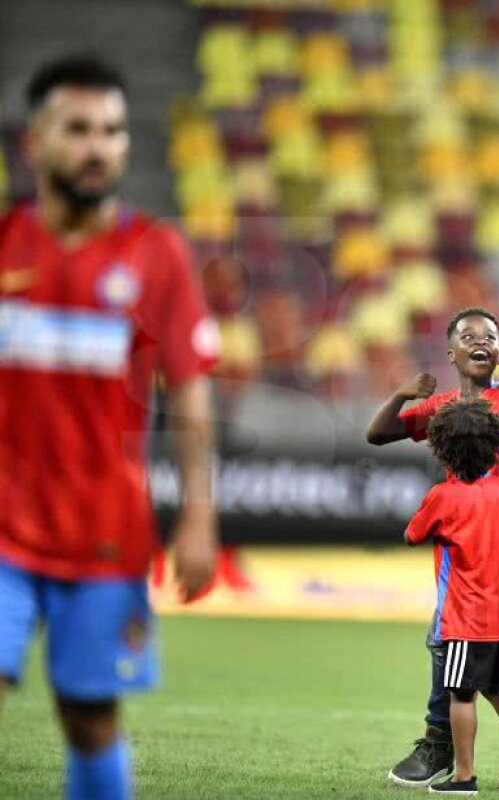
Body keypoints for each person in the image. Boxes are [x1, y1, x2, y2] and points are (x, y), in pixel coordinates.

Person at [0, 55, 219, 799]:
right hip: (2, 521)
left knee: (90, 714)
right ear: (35, 142)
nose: (98, 147)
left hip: (103, 530)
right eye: (79, 129)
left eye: (113, 132)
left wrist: (197, 514)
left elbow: (189, 398)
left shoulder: (157, 256)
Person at [365, 307, 499, 786]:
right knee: (495, 641)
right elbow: (379, 434)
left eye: (489, 336)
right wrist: (400, 394)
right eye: (467, 335)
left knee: (452, 635)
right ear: (451, 353)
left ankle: (442, 747)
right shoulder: (440, 406)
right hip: (463, 530)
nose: (479, 340)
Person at [404, 397, 499, 794]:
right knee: (498, 686)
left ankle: (464, 777)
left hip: (463, 618)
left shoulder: (442, 496)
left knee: (461, 694)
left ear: (441, 449)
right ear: (496, 446)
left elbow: (413, 534)